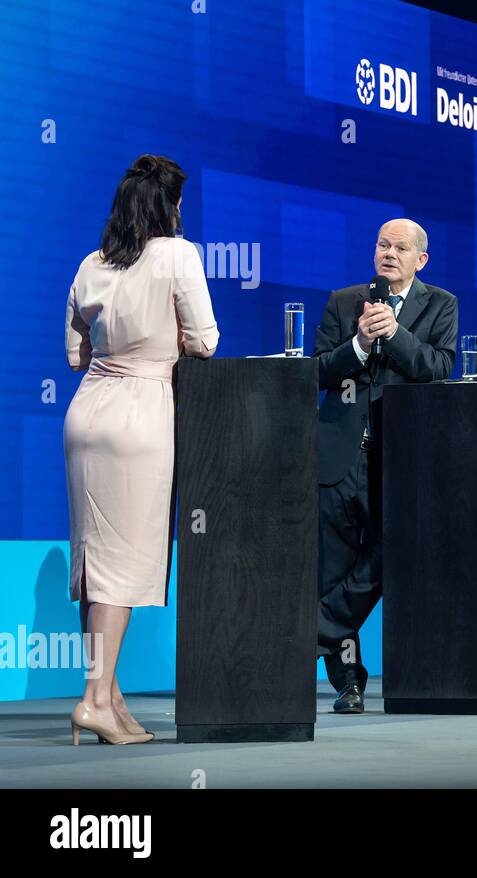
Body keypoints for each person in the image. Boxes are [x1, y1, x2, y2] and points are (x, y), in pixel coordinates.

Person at [64, 154, 219, 744]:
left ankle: (109, 695)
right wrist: (171, 337)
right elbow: (205, 341)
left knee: (96, 565)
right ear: (169, 206)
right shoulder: (178, 255)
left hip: (87, 411)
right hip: (140, 413)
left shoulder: (90, 262)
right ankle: (95, 699)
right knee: (122, 566)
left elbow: (75, 355)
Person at [314, 219, 458, 713]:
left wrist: (394, 334)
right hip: (339, 454)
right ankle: (347, 682)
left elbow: (438, 367)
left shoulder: (441, 305)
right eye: (381, 244)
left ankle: (314, 627)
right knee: (331, 570)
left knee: (387, 557)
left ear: (421, 259)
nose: (388, 253)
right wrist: (356, 345)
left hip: (401, 459)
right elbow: (317, 370)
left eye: (400, 247)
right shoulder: (342, 300)